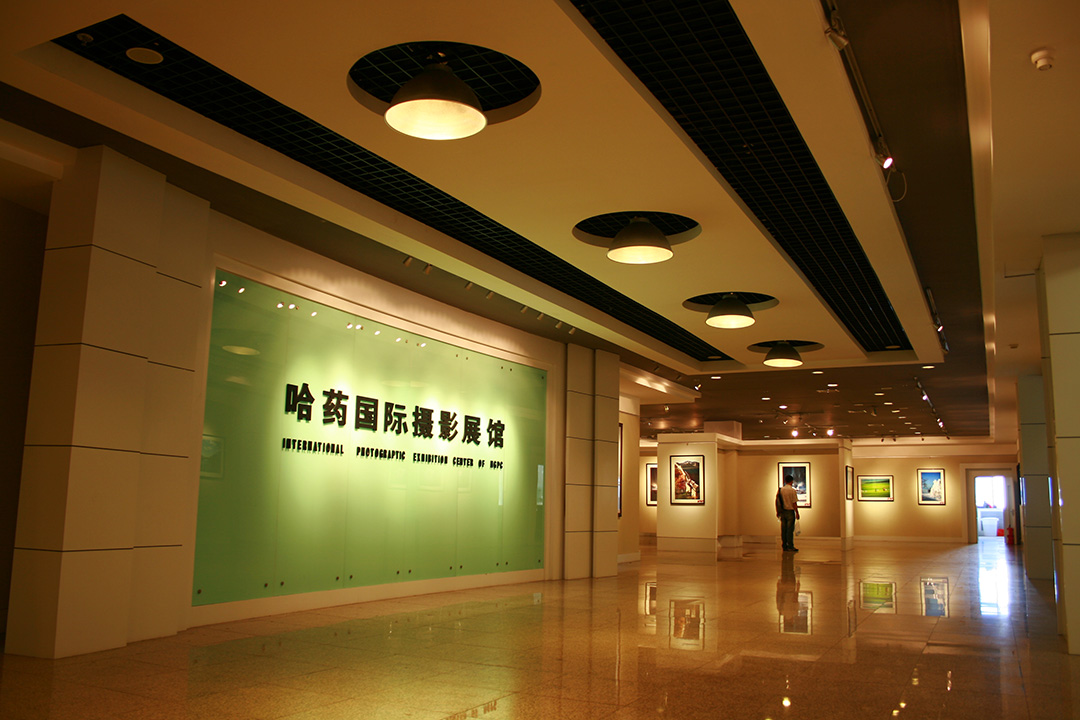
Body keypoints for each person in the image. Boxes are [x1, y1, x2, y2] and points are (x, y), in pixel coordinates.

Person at [777, 474, 800, 552]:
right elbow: (794, 503)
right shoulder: (792, 491)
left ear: (785, 481)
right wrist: (797, 513)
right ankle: (790, 545)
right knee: (790, 530)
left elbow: (778, 502)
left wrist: (778, 512)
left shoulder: (781, 490)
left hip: (783, 511)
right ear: (791, 481)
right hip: (790, 511)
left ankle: (784, 545)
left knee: (783, 529)